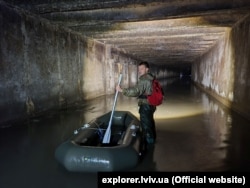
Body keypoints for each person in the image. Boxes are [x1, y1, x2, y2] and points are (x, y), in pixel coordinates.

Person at [116, 61, 156, 145]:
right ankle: (152, 140)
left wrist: (122, 90)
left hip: (145, 105)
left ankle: (149, 146)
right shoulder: (151, 78)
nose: (140, 70)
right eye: (139, 69)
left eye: (142, 68)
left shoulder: (144, 79)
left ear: (147, 69)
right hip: (151, 104)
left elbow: (136, 91)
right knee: (150, 123)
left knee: (146, 126)